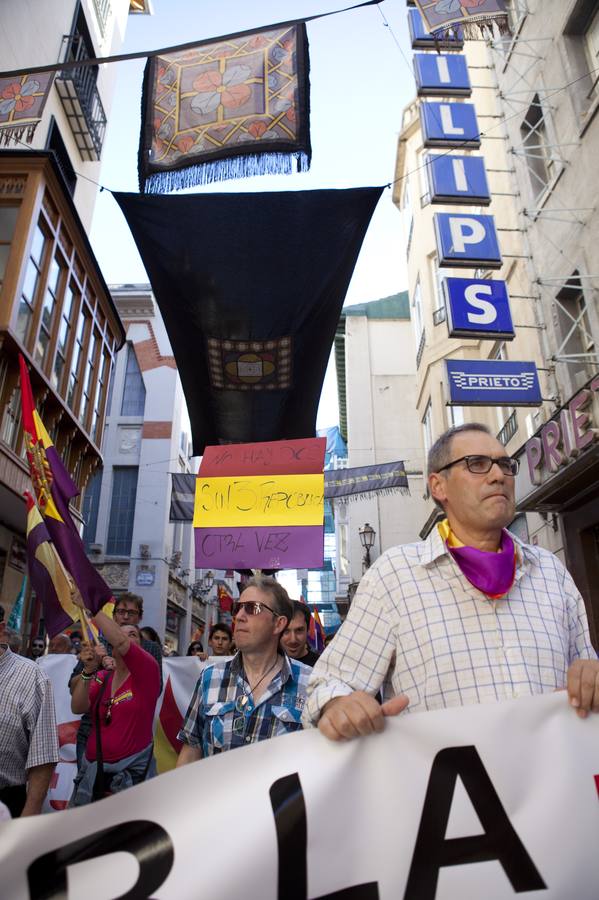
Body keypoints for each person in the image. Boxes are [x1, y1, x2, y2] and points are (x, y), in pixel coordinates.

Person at [304, 423, 599, 741]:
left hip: (551, 783)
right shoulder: (396, 576)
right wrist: (339, 705)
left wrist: (591, 679)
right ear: (438, 486)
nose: (499, 475)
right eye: (477, 464)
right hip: (452, 787)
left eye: (505, 464)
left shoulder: (550, 573)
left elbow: (586, 669)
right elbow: (329, 685)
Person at [177, 576, 310, 763]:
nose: (238, 616)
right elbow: (191, 749)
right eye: (238, 608)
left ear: (278, 624)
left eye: (252, 608)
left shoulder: (309, 683)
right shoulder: (210, 677)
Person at [69, 596, 161, 806]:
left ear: (140, 646)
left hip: (128, 782)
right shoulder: (103, 677)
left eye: (132, 635)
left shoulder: (147, 672)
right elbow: (78, 707)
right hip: (92, 777)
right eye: (122, 632)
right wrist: (88, 671)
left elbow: (121, 641)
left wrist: (90, 606)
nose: (124, 637)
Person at [0, 606, 58, 817]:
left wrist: (29, 816)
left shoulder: (32, 677)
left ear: (1, 630)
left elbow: (43, 755)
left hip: (6, 803)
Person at [282, 601, 320, 667]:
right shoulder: (265, 665)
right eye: (286, 631)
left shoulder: (322, 667)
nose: (293, 640)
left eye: (299, 630)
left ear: (308, 630)